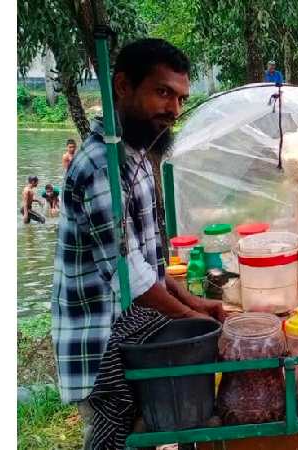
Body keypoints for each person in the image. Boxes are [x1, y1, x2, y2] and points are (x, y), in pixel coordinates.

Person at [50, 38, 225, 448]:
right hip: (102, 339)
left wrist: (194, 304)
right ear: (123, 86)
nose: (173, 110)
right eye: (162, 93)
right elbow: (126, 270)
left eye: (180, 98)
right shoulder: (100, 167)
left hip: (132, 327)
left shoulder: (137, 157)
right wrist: (190, 318)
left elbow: (150, 263)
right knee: (116, 438)